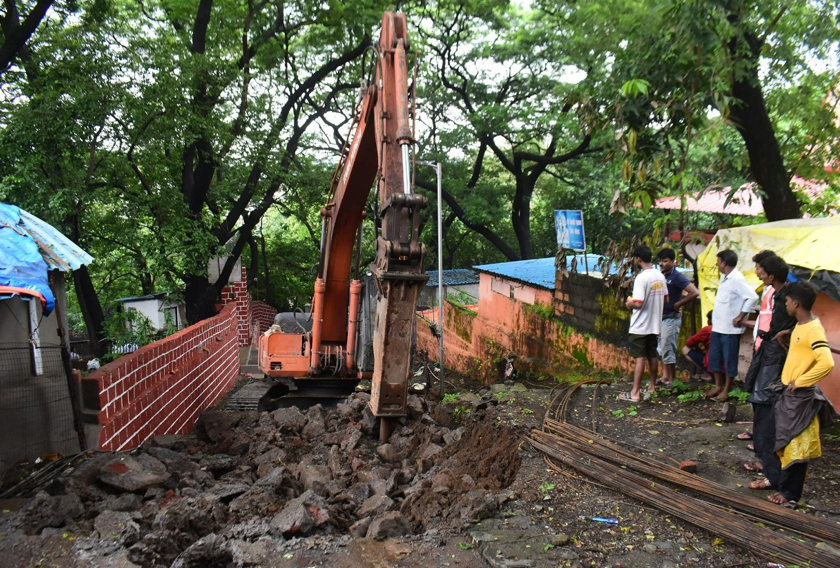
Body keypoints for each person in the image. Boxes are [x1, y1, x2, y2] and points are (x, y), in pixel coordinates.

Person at [766, 281, 837, 505]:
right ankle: (783, 487)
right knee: (786, 443)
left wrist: (801, 381)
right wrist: (789, 335)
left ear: (796, 303)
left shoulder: (813, 329)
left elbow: (826, 362)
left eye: (786, 302)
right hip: (789, 395)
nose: (785, 305)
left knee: (796, 448)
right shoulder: (802, 325)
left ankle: (790, 495)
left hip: (800, 397)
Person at [743, 255, 796, 484]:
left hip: (775, 357)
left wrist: (788, 333)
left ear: (771, 275)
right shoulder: (774, 293)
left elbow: (804, 324)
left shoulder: (789, 296)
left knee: (767, 410)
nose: (756, 272)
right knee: (759, 405)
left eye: (759, 268)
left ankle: (772, 475)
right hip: (767, 351)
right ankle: (765, 462)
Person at [706, 250, 758, 401]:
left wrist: (740, 316)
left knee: (730, 360)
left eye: (718, 261)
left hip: (730, 329)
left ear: (723, 262)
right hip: (718, 327)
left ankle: (726, 390)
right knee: (714, 359)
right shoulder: (725, 277)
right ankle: (718, 386)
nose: (717, 264)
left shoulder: (737, 279)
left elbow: (752, 297)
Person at [621, 245, 668, 402]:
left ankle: (635, 393)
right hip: (655, 325)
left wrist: (629, 304)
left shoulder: (641, 278)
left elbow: (639, 303)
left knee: (640, 358)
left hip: (640, 326)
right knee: (652, 355)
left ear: (638, 259)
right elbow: (666, 299)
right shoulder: (660, 276)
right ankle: (652, 387)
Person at [656, 248, 699, 386]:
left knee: (668, 347)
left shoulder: (676, 276)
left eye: (665, 261)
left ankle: (671, 379)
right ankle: (665, 376)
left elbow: (694, 292)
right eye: (660, 261)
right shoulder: (662, 276)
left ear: (673, 262)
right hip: (661, 317)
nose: (662, 263)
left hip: (671, 317)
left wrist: (678, 304)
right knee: (662, 348)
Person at [683, 311, 713, 381]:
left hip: (712, 363)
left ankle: (707, 374)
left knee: (685, 349)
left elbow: (689, 342)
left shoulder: (708, 329)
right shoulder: (725, 329)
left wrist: (698, 348)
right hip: (725, 366)